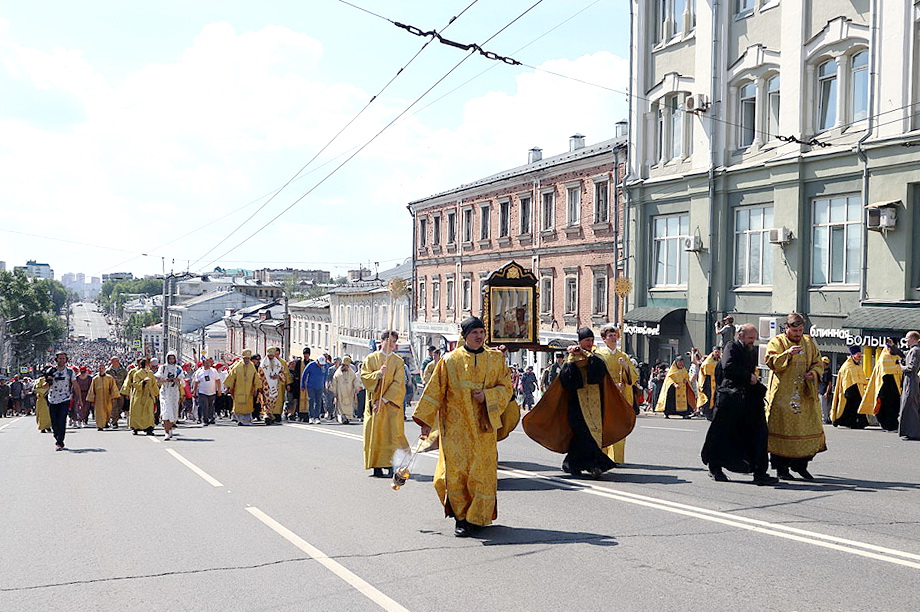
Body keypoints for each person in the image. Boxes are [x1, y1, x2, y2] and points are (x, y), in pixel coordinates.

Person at [414, 316, 515, 537]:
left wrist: (488, 396)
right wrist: (425, 423)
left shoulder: (496, 360)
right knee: (457, 473)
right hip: (456, 429)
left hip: (483, 428)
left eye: (481, 332)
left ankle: (477, 517)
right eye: (474, 333)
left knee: (481, 473)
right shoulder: (450, 361)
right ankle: (461, 518)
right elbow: (434, 392)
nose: (479, 336)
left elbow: (506, 388)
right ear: (465, 336)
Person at [525, 327, 633, 479]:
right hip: (576, 403)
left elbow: (598, 375)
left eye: (591, 340)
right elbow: (569, 381)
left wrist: (587, 358)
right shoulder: (572, 357)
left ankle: (573, 463)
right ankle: (594, 465)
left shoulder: (595, 357)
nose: (590, 343)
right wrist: (571, 359)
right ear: (580, 341)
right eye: (587, 341)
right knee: (582, 433)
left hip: (595, 402)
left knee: (591, 433)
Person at [701, 324, 778, 486]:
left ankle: (760, 472)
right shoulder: (731, 347)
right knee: (723, 434)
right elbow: (728, 367)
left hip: (748, 399)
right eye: (750, 338)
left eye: (754, 339)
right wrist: (747, 376)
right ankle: (715, 467)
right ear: (740, 336)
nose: (752, 342)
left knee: (759, 433)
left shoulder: (750, 350)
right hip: (730, 398)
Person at [764, 313, 825, 480]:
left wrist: (813, 373)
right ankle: (782, 469)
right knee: (782, 432)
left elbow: (818, 362)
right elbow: (770, 362)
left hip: (804, 396)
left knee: (807, 430)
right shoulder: (778, 342)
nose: (798, 334)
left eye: (800, 330)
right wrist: (788, 354)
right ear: (787, 328)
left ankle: (801, 466)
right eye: (795, 330)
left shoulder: (808, 342)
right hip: (783, 397)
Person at [359, 330, 409, 478]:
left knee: (392, 434)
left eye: (394, 342)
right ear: (383, 341)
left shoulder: (398, 362)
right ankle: (376, 465)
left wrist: (384, 400)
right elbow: (365, 377)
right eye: (390, 341)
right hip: (374, 404)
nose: (392, 345)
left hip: (391, 405)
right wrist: (378, 374)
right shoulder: (371, 359)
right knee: (376, 434)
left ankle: (392, 465)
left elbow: (399, 383)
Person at [594, 323, 638, 464]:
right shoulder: (599, 355)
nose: (613, 338)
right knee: (604, 427)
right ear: (604, 339)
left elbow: (633, 377)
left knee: (619, 427)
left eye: (615, 336)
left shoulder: (623, 356)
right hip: (605, 396)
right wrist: (613, 385)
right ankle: (602, 457)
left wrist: (625, 367)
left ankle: (617, 458)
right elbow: (595, 377)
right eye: (610, 336)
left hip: (620, 397)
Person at [858, 341, 903, 432]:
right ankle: (886, 425)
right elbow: (883, 373)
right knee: (885, 407)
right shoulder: (884, 357)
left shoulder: (898, 357)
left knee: (895, 407)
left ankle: (894, 425)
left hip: (896, 387)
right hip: (885, 387)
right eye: (891, 347)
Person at [46, 352, 83, 451]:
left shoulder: (70, 372)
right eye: (60, 358)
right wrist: (49, 379)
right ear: (56, 359)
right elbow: (46, 386)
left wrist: (79, 399)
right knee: (54, 422)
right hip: (52, 399)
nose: (62, 360)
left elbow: (75, 385)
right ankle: (56, 435)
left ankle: (60, 442)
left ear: (66, 360)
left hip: (65, 399)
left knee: (62, 420)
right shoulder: (51, 371)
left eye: (63, 358)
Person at [830, 346, 869, 429]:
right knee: (847, 407)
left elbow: (860, 376)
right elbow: (845, 378)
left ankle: (859, 422)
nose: (859, 355)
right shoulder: (847, 366)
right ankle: (838, 420)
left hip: (858, 389)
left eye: (860, 354)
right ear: (852, 355)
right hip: (849, 389)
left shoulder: (858, 365)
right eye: (857, 354)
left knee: (856, 407)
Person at [224, 349, 260, 426]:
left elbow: (256, 378)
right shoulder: (237, 366)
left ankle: (247, 421)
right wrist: (228, 388)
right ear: (242, 358)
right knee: (239, 406)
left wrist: (256, 389)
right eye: (245, 358)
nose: (247, 360)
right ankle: (240, 420)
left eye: (248, 358)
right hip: (238, 390)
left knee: (248, 406)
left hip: (249, 390)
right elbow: (231, 377)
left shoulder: (252, 366)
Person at [124, 357, 157, 436]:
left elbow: (154, 384)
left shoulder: (151, 373)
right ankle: (136, 427)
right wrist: (143, 383)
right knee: (137, 411)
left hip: (148, 395)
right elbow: (133, 383)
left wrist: (156, 394)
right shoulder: (136, 373)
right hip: (138, 395)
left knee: (149, 412)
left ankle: (149, 428)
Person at [897, 331, 920, 441]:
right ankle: (909, 431)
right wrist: (892, 346)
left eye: (907, 338)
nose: (906, 340)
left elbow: (912, 368)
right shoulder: (912, 350)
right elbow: (902, 353)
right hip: (908, 380)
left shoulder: (915, 351)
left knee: (909, 405)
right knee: (907, 406)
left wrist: (902, 367)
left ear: (913, 339)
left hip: (911, 380)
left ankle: (913, 432)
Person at [156, 351, 184, 440]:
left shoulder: (178, 369)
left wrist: (176, 380)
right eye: (170, 358)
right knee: (165, 411)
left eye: (173, 358)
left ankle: (170, 428)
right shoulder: (163, 368)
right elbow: (157, 380)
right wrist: (165, 380)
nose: (171, 360)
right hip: (165, 391)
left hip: (174, 392)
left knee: (173, 411)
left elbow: (182, 383)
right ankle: (166, 432)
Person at [260, 347, 290, 425]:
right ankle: (267, 416)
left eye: (272, 356)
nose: (271, 357)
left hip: (275, 386)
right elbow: (259, 375)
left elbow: (284, 373)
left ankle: (272, 415)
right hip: (266, 387)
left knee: (274, 401)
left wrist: (278, 376)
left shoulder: (278, 364)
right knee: (266, 402)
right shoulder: (263, 364)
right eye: (269, 356)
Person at [86, 364, 119, 431]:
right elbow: (92, 389)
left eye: (102, 368)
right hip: (98, 398)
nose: (101, 369)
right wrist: (92, 399)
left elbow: (113, 387)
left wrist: (114, 396)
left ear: (104, 369)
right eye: (100, 368)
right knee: (99, 412)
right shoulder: (95, 379)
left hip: (107, 397)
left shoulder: (109, 378)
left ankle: (106, 422)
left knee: (108, 410)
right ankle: (100, 425)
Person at [332, 356, 361, 424]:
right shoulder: (337, 373)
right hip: (340, 393)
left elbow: (355, 381)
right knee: (340, 406)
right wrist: (334, 392)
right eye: (343, 365)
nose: (344, 367)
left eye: (346, 366)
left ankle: (347, 418)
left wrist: (357, 388)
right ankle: (342, 417)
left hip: (349, 393)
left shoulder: (352, 373)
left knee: (349, 406)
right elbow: (334, 383)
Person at [192, 357, 219, 426]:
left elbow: (218, 381)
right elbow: (196, 382)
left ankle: (211, 418)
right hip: (202, 392)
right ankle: (205, 420)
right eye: (206, 363)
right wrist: (194, 391)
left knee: (210, 406)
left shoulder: (214, 371)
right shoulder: (199, 372)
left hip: (212, 392)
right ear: (203, 364)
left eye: (208, 363)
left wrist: (219, 390)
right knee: (204, 405)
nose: (207, 364)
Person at [696, 348, 721, 420]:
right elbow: (704, 372)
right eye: (716, 352)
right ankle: (708, 414)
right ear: (713, 352)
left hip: (717, 381)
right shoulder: (707, 362)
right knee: (708, 398)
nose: (717, 354)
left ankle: (714, 413)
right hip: (708, 382)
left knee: (716, 398)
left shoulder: (719, 361)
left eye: (718, 352)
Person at [302, 354, 327, 425]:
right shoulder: (311, 365)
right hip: (311, 386)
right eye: (320, 364)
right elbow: (304, 374)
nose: (321, 365)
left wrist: (325, 384)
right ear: (317, 361)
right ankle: (311, 417)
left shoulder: (324, 367)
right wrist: (303, 385)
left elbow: (325, 375)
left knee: (318, 402)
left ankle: (317, 417)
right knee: (311, 400)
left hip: (320, 386)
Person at [107, 357, 129, 429]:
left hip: (121, 391)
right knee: (113, 407)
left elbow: (127, 381)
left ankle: (115, 418)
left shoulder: (123, 371)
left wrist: (127, 392)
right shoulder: (108, 371)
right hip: (112, 392)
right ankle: (114, 422)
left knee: (120, 406)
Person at [297, 348, 313, 423]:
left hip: (309, 384)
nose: (306, 355)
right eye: (304, 354)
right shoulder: (299, 363)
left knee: (308, 399)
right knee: (301, 400)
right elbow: (296, 373)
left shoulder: (312, 363)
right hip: (301, 384)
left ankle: (307, 415)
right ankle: (300, 415)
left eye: (307, 354)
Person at [818, 357, 833, 425]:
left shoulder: (826, 372)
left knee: (824, 407)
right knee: (827, 407)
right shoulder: (826, 371)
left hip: (824, 392)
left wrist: (826, 392)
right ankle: (827, 419)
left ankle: (825, 419)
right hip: (824, 391)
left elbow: (829, 384)